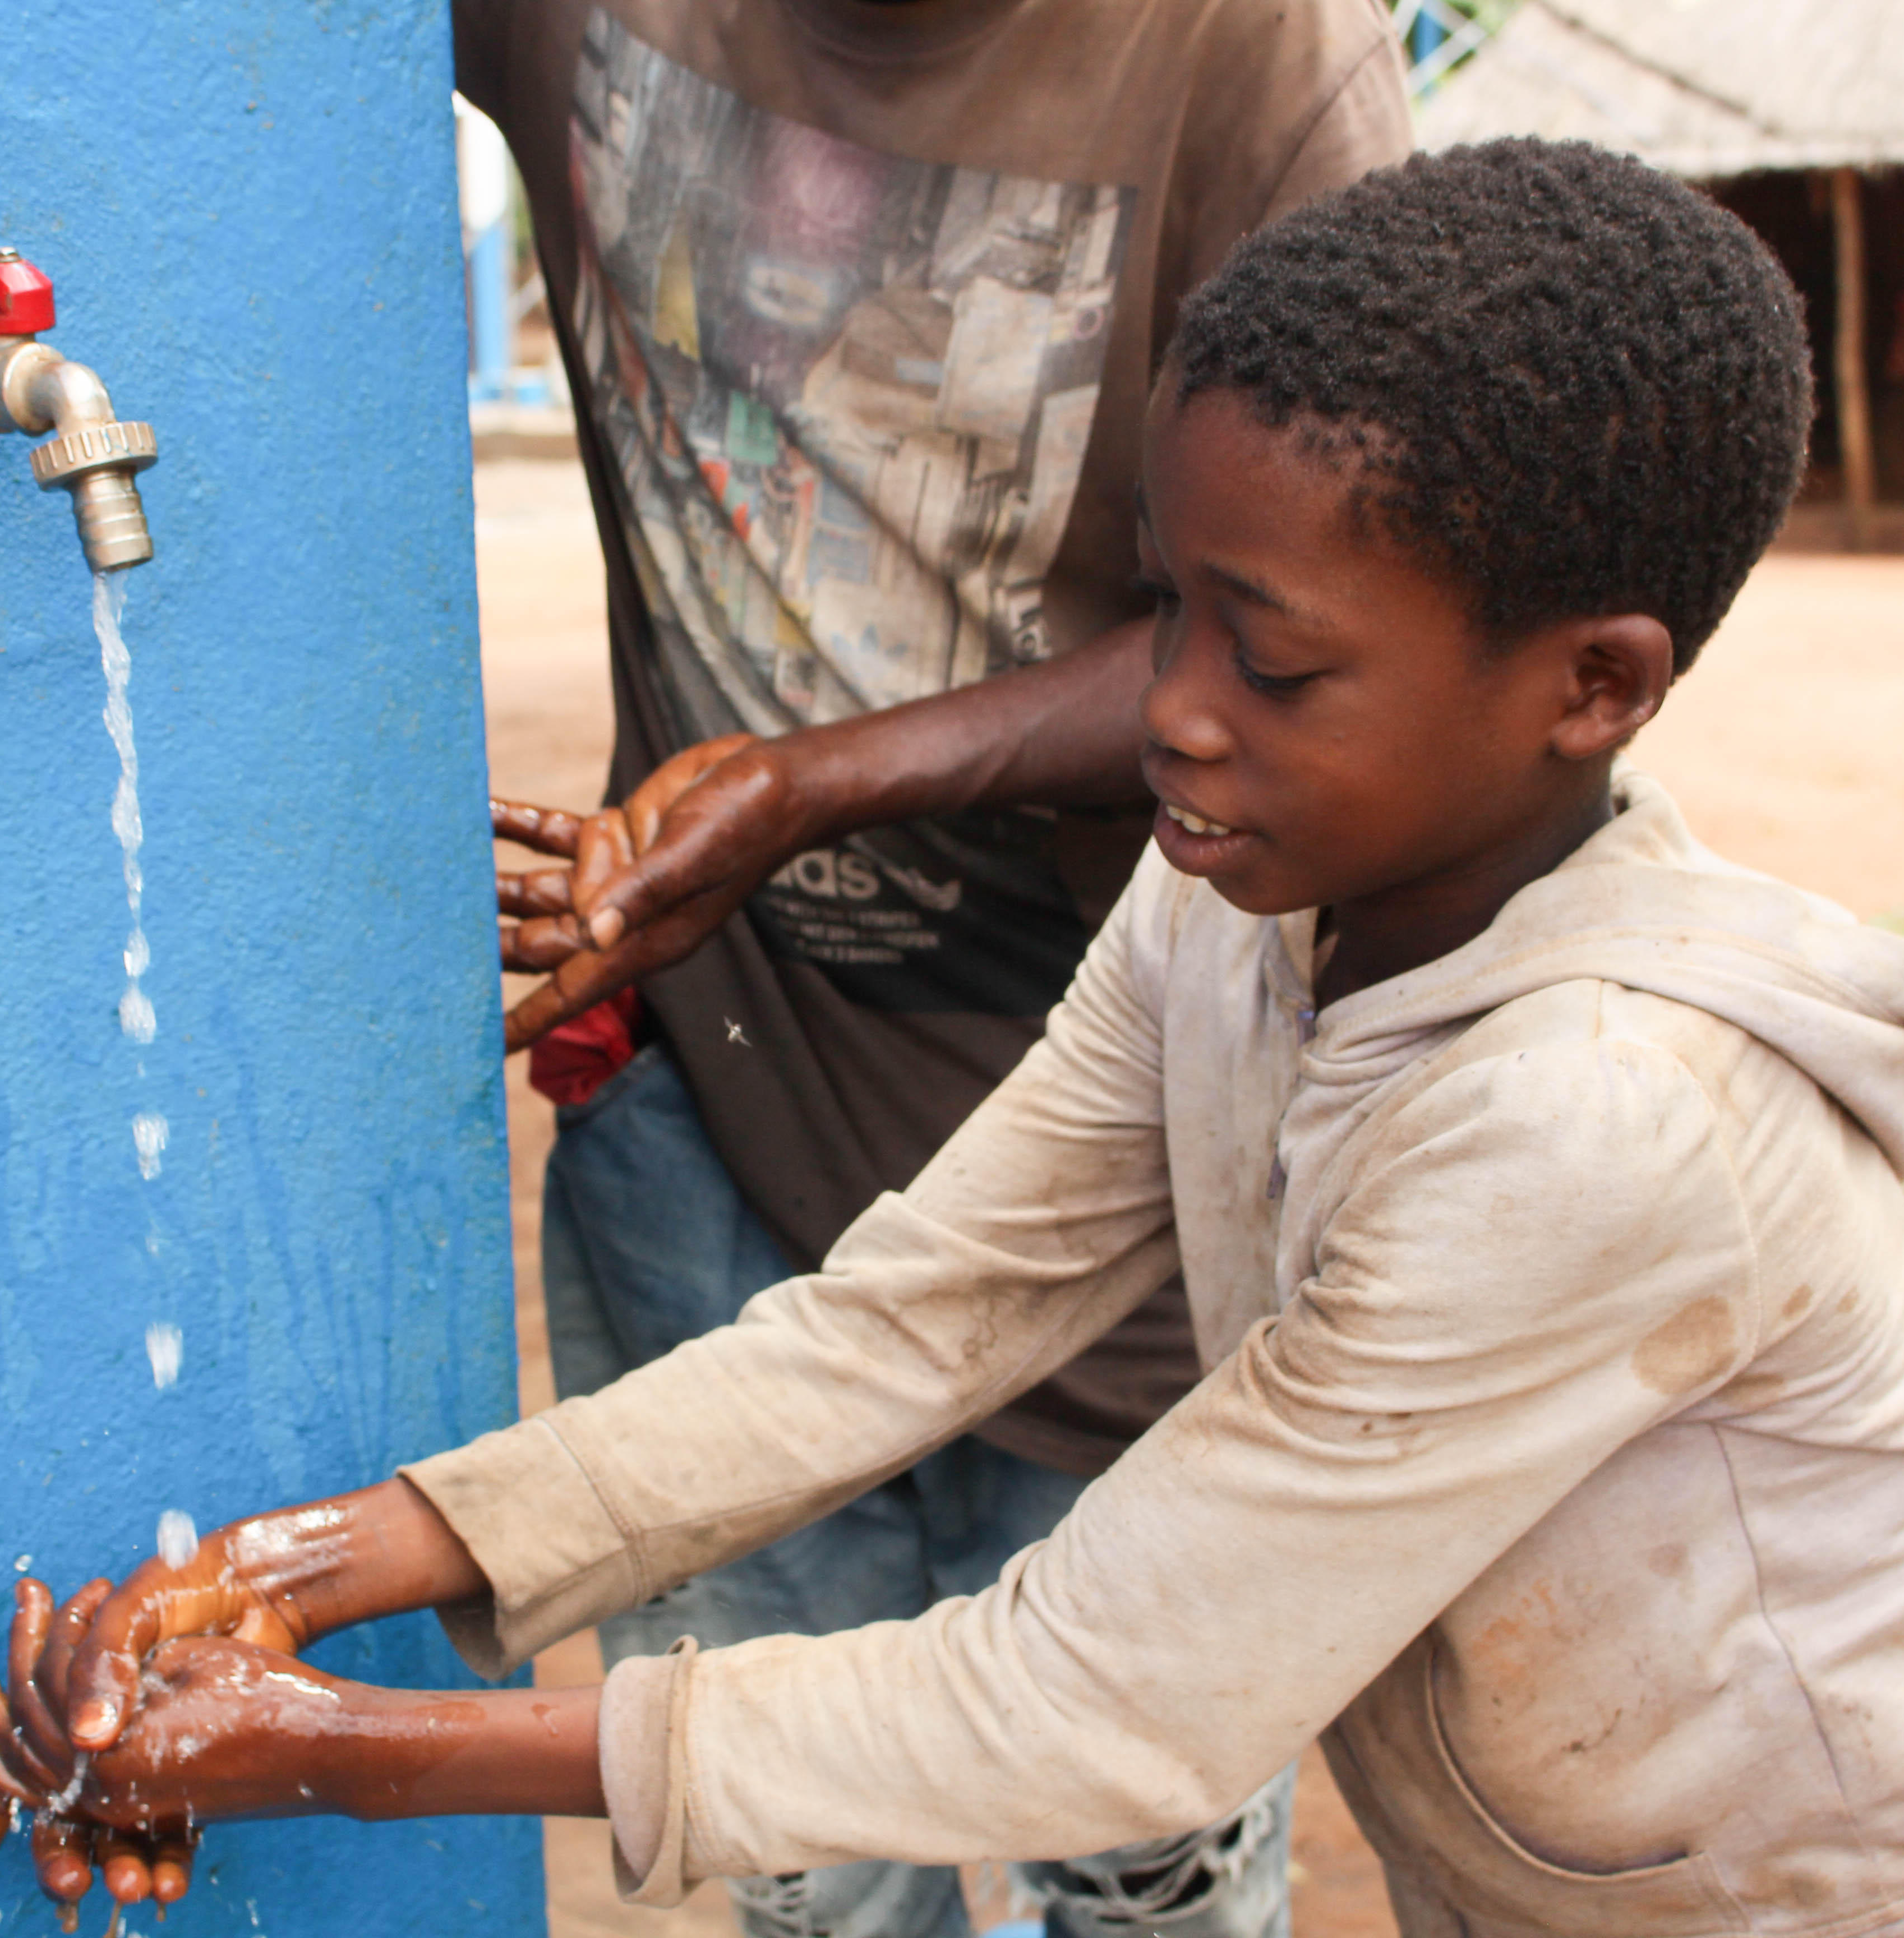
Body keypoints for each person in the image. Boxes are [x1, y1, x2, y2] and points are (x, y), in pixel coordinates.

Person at [0, 142, 1904, 1938]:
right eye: (1170, 614)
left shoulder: (1610, 1121)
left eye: (1277, 660)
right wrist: (352, 1552)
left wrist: (343, 1748)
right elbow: (921, 1316)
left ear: (1595, 688)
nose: (1178, 720)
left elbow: (1103, 1699)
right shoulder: (1245, 905)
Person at [471, 0, 1410, 1932]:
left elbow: (1339, 622)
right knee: (810, 1878)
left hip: (1139, 1151)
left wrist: (805, 785)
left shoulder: (1256, 60)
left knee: (1142, 1871)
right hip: (710, 1100)